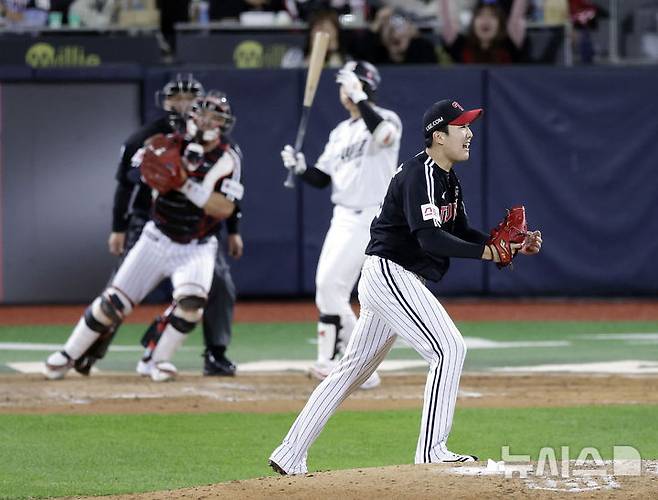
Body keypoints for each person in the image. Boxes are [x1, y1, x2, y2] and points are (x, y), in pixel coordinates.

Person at [269, 98, 542, 474]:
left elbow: (459, 231)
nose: (469, 133)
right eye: (461, 127)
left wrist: (511, 245)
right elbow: (430, 239)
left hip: (392, 276)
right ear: (438, 135)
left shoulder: (447, 179)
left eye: (468, 125)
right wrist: (489, 253)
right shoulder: (420, 174)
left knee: (352, 371)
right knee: (449, 348)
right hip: (389, 273)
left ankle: (289, 452)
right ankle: (432, 450)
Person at [44, 91, 245, 383]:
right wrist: (154, 165)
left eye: (215, 117)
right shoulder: (169, 143)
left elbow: (225, 207)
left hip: (198, 246)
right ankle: (69, 353)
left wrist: (186, 185)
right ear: (192, 117)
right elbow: (137, 169)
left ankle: (156, 360)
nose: (207, 122)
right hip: (157, 238)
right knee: (112, 304)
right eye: (203, 114)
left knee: (191, 304)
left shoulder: (229, 158)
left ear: (224, 123)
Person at [281, 60, 401, 390]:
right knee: (327, 288)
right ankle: (361, 365)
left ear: (364, 87)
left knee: (332, 287)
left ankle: (333, 361)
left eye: (350, 85)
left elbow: (384, 136)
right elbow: (323, 179)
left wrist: (360, 96)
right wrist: (301, 167)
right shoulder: (339, 133)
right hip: (343, 216)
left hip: (372, 215)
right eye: (342, 86)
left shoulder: (386, 118)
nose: (343, 92)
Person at [439, 0, 528, 63]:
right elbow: (448, 19)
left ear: (500, 23)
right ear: (473, 22)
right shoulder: (460, 45)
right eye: (480, 15)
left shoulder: (509, 45)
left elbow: (518, 14)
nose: (486, 20)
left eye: (492, 16)